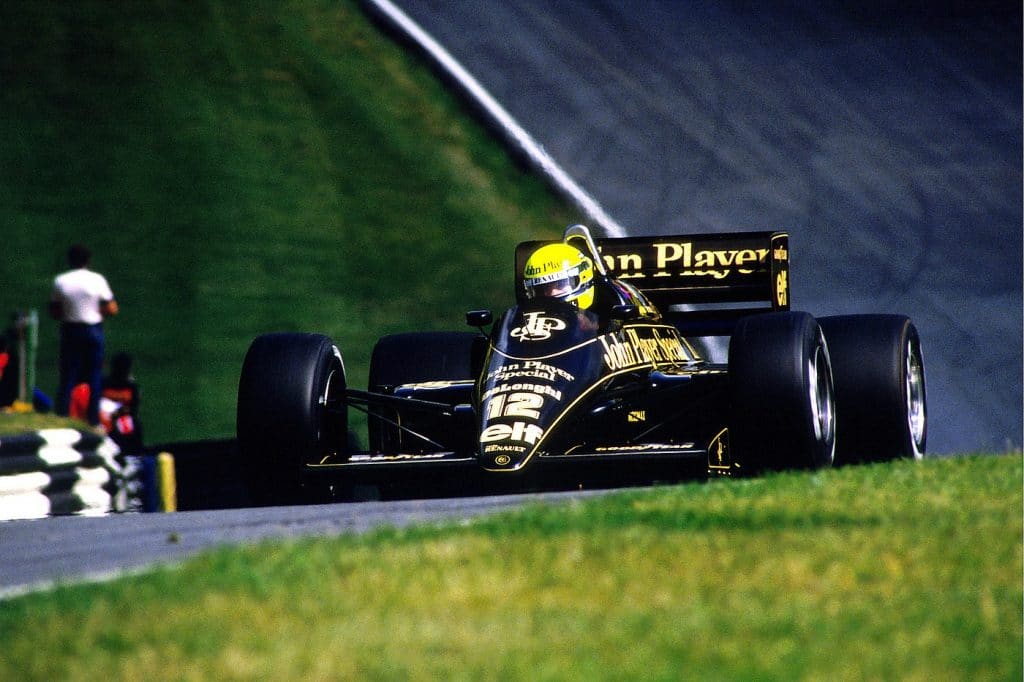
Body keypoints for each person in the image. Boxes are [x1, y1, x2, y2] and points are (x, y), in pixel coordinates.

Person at [49, 244, 119, 426]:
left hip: (71, 329)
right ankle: (93, 419)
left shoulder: (61, 281)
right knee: (94, 375)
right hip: (93, 329)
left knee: (68, 375)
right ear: (88, 260)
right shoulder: (97, 279)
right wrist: (98, 313)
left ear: (70, 260)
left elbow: (55, 311)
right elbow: (112, 308)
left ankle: (62, 415)